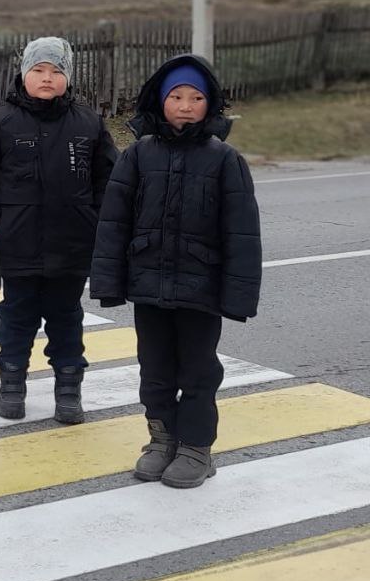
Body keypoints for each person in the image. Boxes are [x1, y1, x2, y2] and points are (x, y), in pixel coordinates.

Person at [91, 55, 262, 489]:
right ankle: (161, 440)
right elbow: (113, 224)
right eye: (177, 96)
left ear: (211, 104)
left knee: (199, 369)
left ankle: (196, 448)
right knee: (155, 367)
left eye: (196, 97)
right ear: (160, 101)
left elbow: (242, 233)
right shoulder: (137, 157)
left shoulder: (225, 160)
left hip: (201, 289)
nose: (186, 106)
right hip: (149, 286)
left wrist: (237, 296)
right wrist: (109, 283)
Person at [0, 37, 118, 424]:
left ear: (68, 78)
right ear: (24, 74)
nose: (47, 78)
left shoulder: (88, 123)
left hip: (71, 246)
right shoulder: (1, 121)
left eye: (56, 71)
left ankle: (68, 388)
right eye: (39, 71)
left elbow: (110, 179)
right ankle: (12, 384)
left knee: (67, 319)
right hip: (18, 245)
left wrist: (95, 221)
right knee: (17, 317)